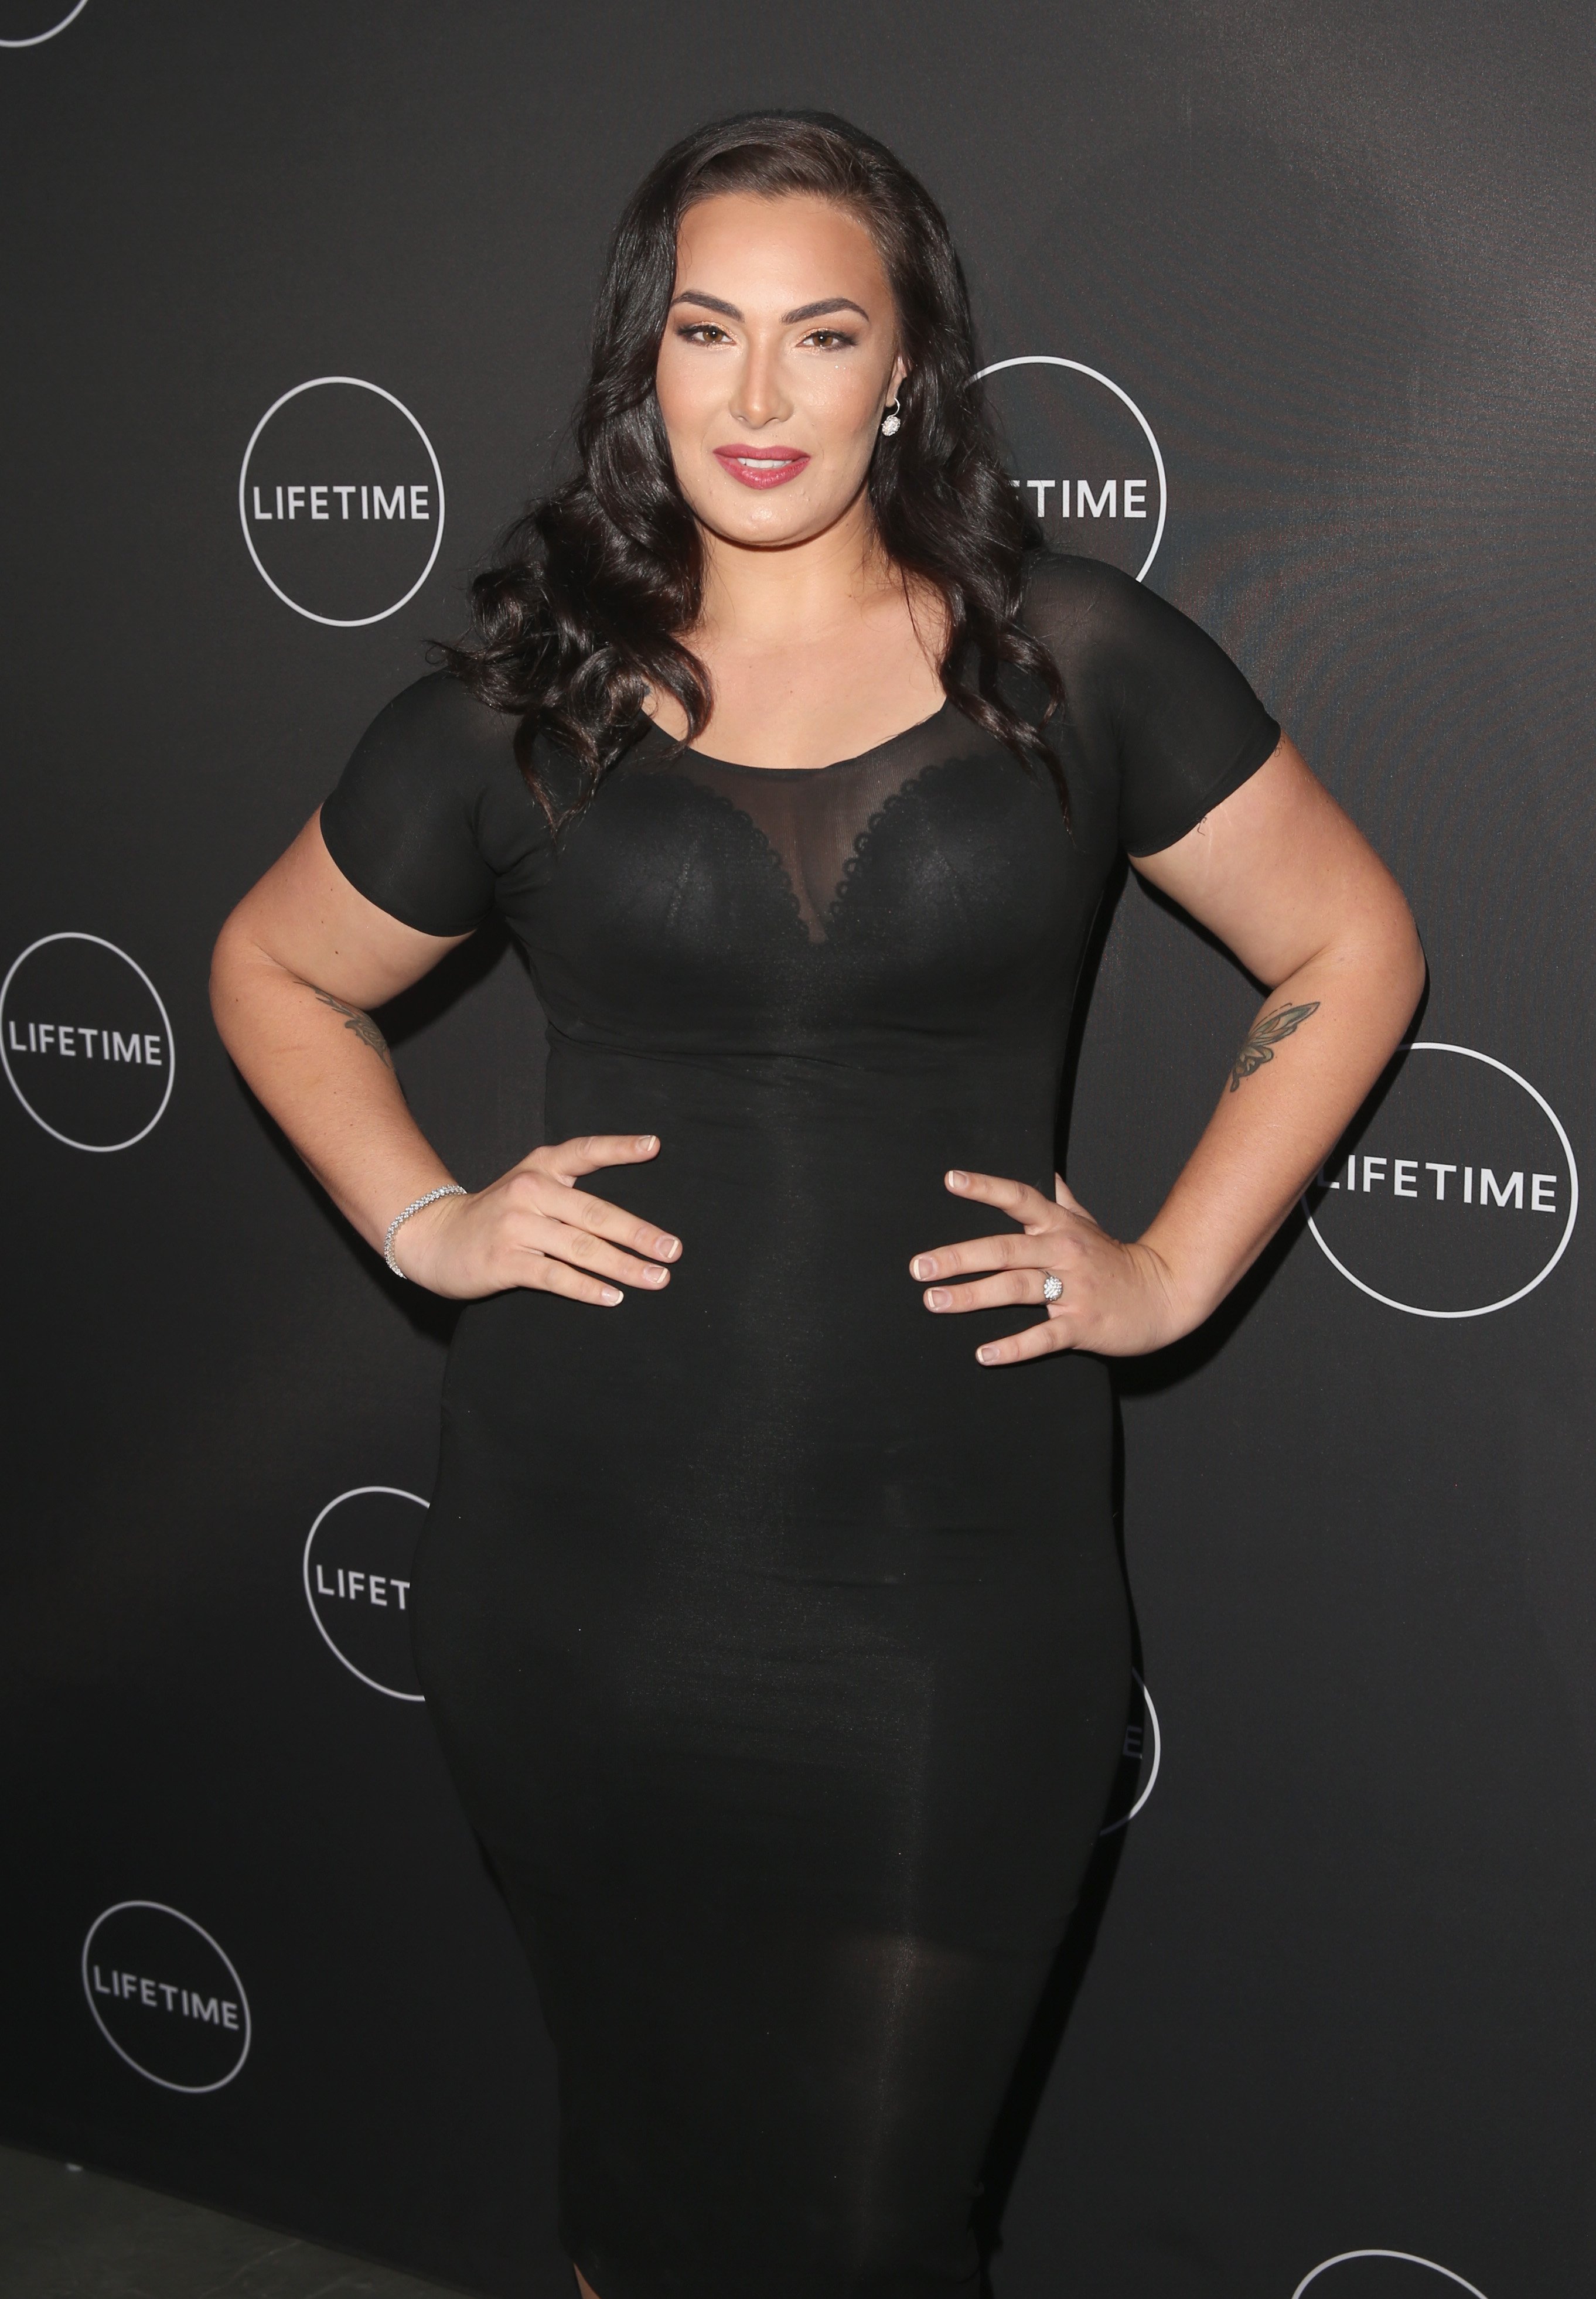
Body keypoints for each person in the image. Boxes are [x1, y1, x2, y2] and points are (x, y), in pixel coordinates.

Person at [212, 110, 1423, 2299]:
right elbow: (272, 964)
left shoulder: (1074, 657)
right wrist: (426, 1221)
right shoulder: (527, 695)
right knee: (644, 2202)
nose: (755, 400)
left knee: (871, 2234)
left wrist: (1161, 1266)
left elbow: (1349, 947)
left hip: (948, 1592)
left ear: (905, 369)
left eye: (818, 334)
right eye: (705, 331)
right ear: (640, 359)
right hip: (575, 1578)